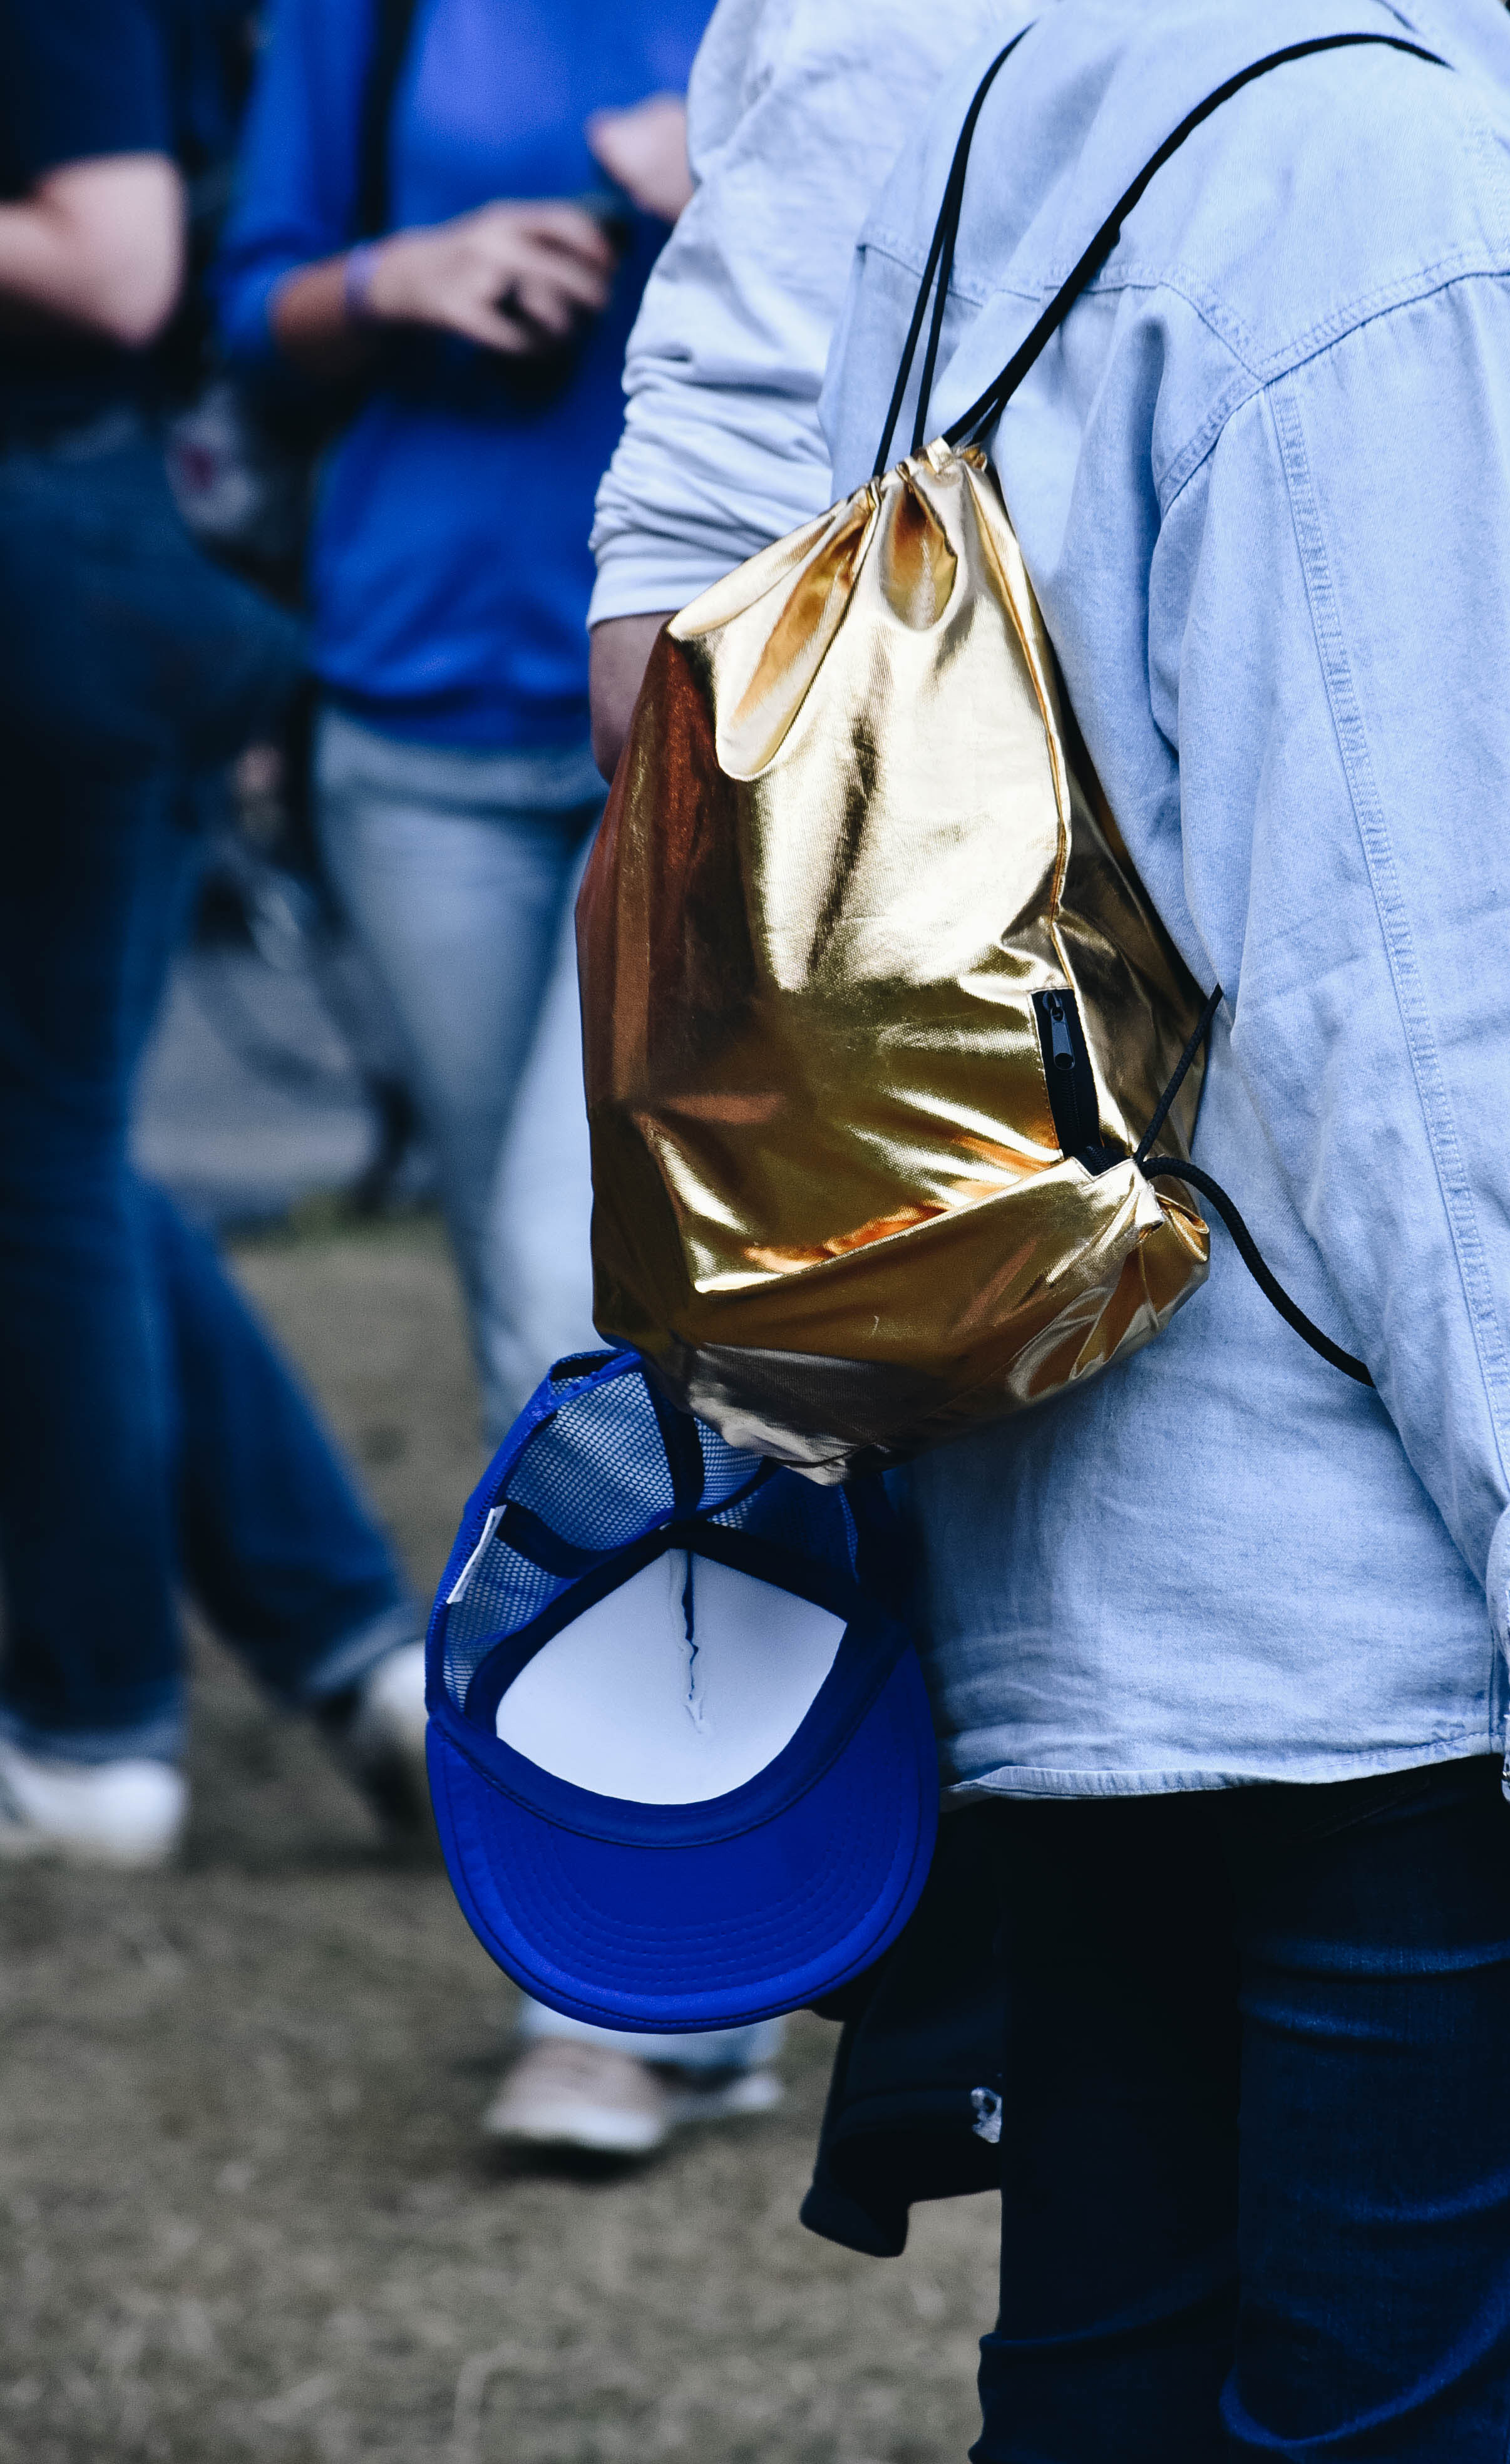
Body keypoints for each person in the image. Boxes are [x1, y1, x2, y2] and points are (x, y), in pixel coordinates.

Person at [588, 0, 1510, 2450]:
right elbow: (1425, 961)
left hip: (1071, 1529)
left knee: (1101, 2388)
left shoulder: (1027, 83)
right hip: (1391, 1608)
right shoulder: (1377, 169)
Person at [215, 0, 785, 2157]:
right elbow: (239, 296)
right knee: (524, 1334)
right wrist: (399, 278)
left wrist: (705, 176)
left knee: (611, 1308)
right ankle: (669, 1929)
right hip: (424, 716)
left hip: (720, 725)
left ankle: (657, 1982)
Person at [0, 0, 429, 1869]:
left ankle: (97, 1734)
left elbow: (111, 262)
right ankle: (355, 1649)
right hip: (97, 570)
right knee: (56, 1141)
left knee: (39, 1157)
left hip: (64, 575)